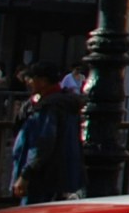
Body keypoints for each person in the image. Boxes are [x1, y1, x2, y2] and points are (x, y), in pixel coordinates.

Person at [9, 71, 82, 204]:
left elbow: (42, 144)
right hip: (61, 174)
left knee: (32, 211)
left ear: (42, 81)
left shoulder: (47, 107)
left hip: (42, 177)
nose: (28, 82)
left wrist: (26, 174)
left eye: (31, 78)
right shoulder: (66, 103)